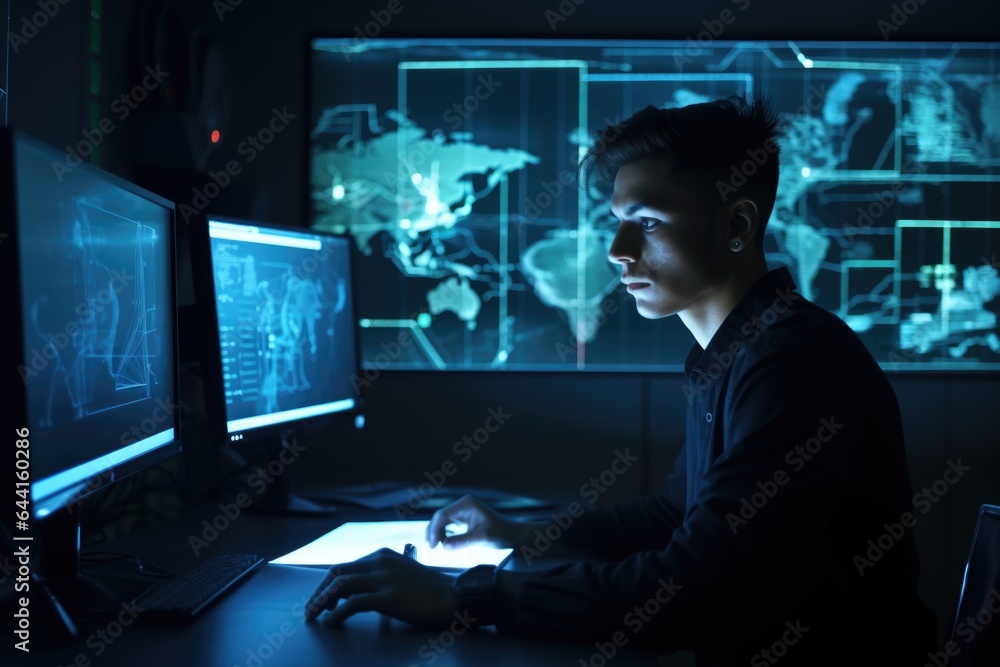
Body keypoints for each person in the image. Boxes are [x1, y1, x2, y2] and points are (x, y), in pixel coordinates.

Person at [304, 96, 938, 665]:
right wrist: (523, 535)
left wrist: (462, 594)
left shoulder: (794, 366)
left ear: (739, 226)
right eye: (617, 220)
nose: (618, 248)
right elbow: (677, 515)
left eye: (649, 221)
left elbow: (696, 588)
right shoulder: (738, 352)